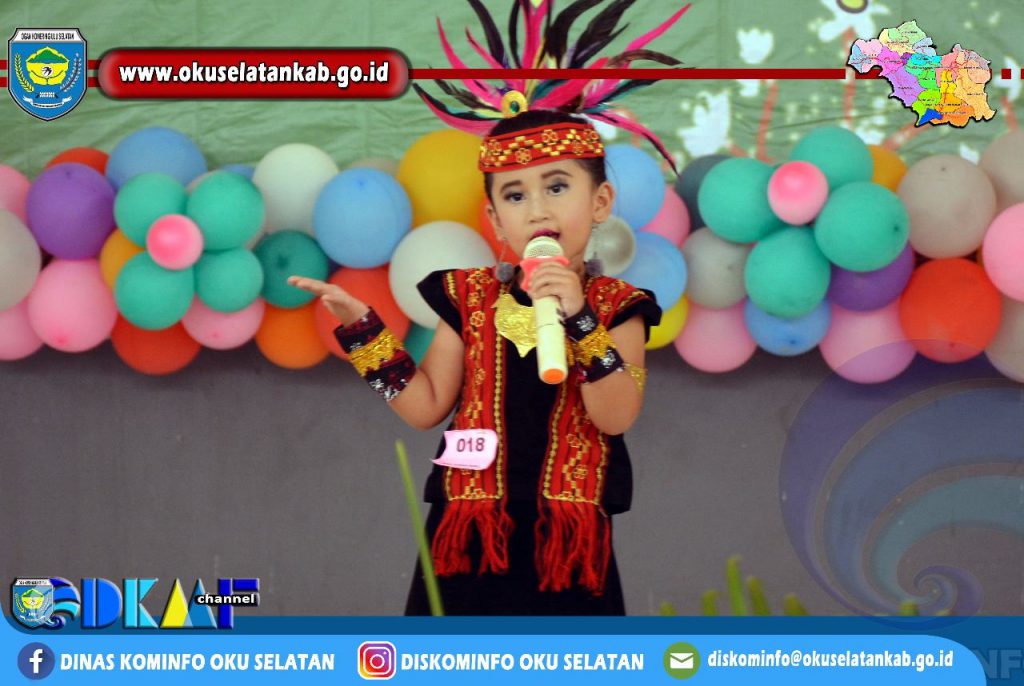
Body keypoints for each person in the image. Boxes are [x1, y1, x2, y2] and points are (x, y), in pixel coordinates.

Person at [288, 0, 689, 614]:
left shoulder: (619, 306)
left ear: (601, 202)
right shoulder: (468, 297)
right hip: (466, 539)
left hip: (566, 546)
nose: (538, 209)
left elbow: (614, 417)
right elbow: (425, 407)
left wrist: (579, 318)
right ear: (497, 220)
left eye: (558, 186)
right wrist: (362, 334)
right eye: (515, 196)